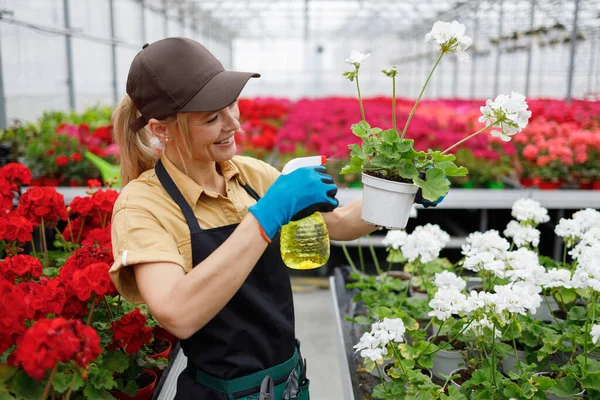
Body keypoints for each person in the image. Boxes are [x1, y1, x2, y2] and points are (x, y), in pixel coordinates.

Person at [109, 37, 443, 400]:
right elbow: (178, 313)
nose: (234, 125)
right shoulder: (142, 205)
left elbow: (340, 225)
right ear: (161, 129)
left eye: (232, 106)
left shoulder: (250, 175)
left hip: (288, 384)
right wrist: (267, 215)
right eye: (211, 118)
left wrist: (399, 190)